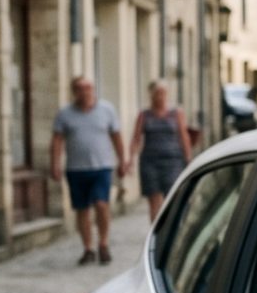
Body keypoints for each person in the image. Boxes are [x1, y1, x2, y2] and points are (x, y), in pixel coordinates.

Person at [51, 77, 126, 266]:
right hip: (76, 169)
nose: (85, 92)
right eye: (80, 89)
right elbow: (57, 140)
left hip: (102, 167)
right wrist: (55, 163)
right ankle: (88, 248)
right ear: (74, 92)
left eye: (88, 88)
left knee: (101, 204)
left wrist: (122, 161)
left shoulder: (106, 110)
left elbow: (116, 136)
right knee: (82, 209)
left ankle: (103, 243)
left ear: (93, 89)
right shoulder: (65, 114)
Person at [130, 81, 193, 221]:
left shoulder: (176, 113)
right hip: (150, 162)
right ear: (151, 95)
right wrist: (130, 160)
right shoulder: (144, 115)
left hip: (173, 161)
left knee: (172, 196)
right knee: (154, 199)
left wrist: (188, 158)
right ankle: (156, 236)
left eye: (163, 93)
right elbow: (136, 138)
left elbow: (184, 136)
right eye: (157, 94)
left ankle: (171, 230)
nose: (160, 97)